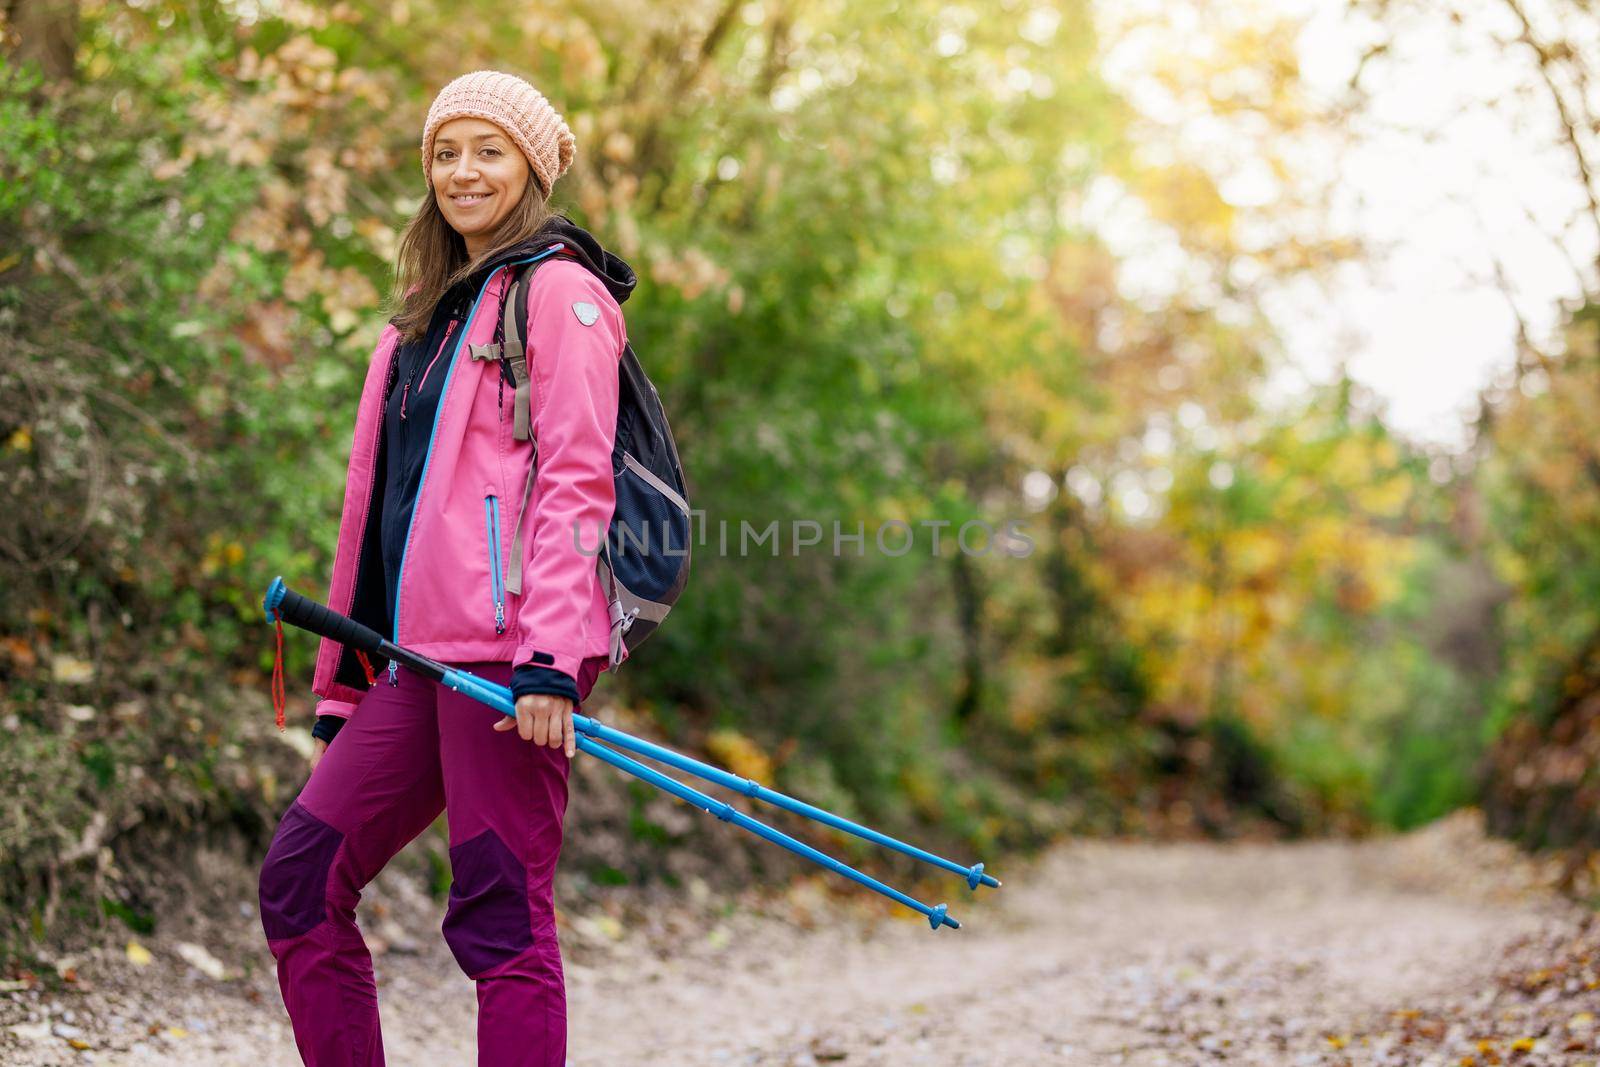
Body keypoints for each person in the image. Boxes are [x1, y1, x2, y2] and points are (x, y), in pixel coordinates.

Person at [256, 69, 638, 1067]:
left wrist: (553, 655)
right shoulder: (419, 321)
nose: (462, 170)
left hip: (513, 658)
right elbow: (375, 510)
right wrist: (347, 680)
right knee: (300, 879)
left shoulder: (563, 294)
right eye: (445, 151)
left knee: (500, 915)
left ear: (532, 167)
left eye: (488, 149)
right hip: (415, 655)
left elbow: (577, 481)